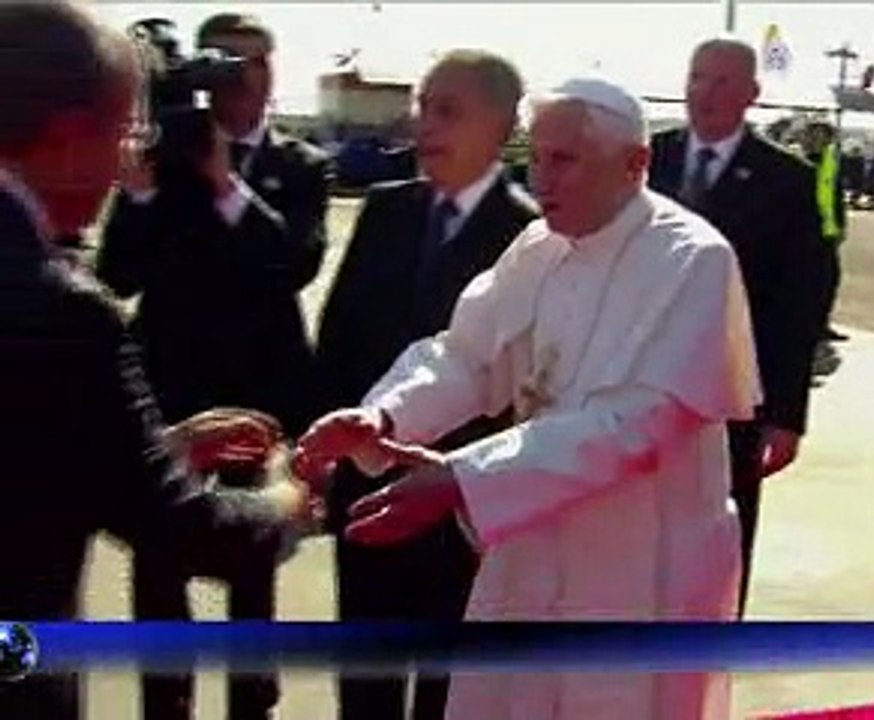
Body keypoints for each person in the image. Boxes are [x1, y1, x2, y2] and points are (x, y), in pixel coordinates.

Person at [297, 77, 761, 720]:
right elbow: (466, 356)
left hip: (639, 564)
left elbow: (637, 423)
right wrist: (384, 414)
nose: (542, 178)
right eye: (535, 157)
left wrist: (463, 478)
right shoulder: (539, 248)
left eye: (564, 160)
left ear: (635, 164)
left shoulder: (693, 259)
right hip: (530, 544)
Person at [0, 3, 310, 719]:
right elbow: (177, 523)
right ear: (73, 137)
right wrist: (288, 502)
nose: (125, 159)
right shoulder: (64, 306)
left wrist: (154, 445)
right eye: (123, 133)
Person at [95, 13, 331, 720]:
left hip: (259, 389)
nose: (241, 78)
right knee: (159, 559)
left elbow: (294, 263)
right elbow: (117, 276)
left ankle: (251, 703)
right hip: (171, 387)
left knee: (252, 559)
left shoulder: (299, 166)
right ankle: (165, 704)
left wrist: (227, 184)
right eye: (225, 63)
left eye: (254, 63)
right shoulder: (158, 167)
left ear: (274, 72)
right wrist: (136, 193)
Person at [313, 49, 538, 720]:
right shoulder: (387, 210)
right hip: (366, 486)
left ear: (501, 126)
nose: (425, 126)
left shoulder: (531, 236)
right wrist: (328, 448)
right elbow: (340, 335)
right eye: (422, 108)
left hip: (464, 501)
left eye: (448, 111)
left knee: (453, 681)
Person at [647, 37, 825, 614]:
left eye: (723, 82)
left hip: (732, 403)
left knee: (717, 554)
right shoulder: (643, 161)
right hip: (634, 391)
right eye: (698, 78)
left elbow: (800, 305)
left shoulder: (787, 181)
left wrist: (786, 415)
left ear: (752, 93)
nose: (706, 93)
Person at [802, 121, 848, 343]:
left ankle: (821, 323)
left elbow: (835, 198)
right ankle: (807, 322)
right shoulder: (798, 164)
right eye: (816, 136)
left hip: (827, 232)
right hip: (804, 232)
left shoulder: (830, 163)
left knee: (829, 279)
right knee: (804, 280)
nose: (820, 141)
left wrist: (841, 225)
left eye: (825, 138)